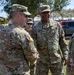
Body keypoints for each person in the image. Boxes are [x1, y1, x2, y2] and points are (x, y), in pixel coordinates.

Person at [0, 4, 39, 75]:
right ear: (18, 15)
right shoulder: (22, 34)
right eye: (26, 16)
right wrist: (36, 55)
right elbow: (32, 57)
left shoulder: (1, 31)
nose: (27, 19)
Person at [31, 5, 69, 75]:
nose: (46, 14)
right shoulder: (35, 29)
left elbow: (62, 42)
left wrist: (65, 55)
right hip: (42, 62)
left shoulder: (57, 26)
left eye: (47, 12)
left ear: (50, 13)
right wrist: (35, 56)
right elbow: (34, 45)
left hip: (56, 60)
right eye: (44, 13)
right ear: (40, 14)